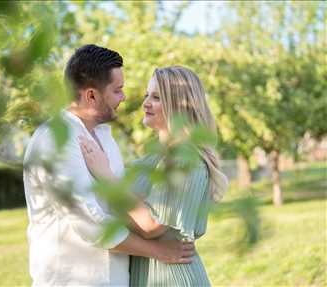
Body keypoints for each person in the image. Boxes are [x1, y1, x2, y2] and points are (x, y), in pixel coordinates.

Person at [23, 46, 195, 287]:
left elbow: (119, 206)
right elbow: (90, 224)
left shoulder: (105, 138)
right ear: (91, 95)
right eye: (117, 90)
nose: (124, 97)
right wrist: (158, 250)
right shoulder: (55, 140)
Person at [80, 66, 228, 286]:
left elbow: (151, 225)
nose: (146, 103)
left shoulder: (187, 161)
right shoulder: (149, 162)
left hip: (173, 279)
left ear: (180, 106)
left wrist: (105, 174)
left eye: (157, 97)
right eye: (146, 95)